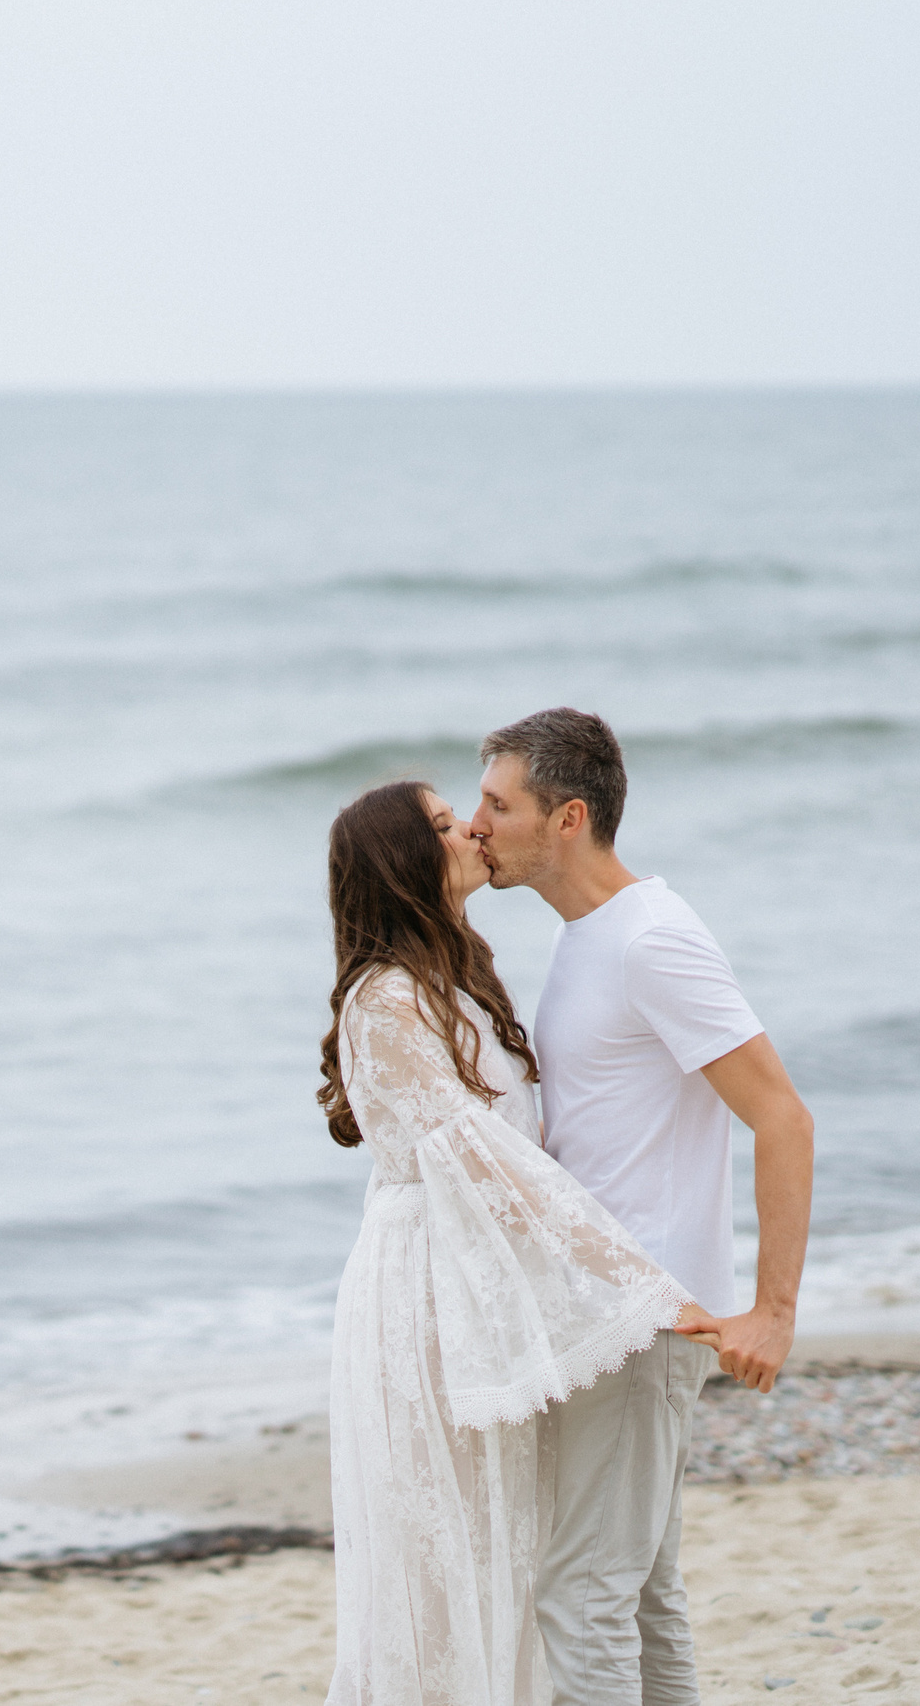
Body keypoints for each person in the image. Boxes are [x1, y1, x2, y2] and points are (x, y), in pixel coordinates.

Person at [318, 779, 720, 1706]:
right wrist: (641, 1284)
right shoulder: (384, 1001)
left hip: (483, 1289)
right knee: (444, 1562)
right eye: (442, 823)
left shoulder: (455, 982)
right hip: (424, 1296)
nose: (470, 827)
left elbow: (525, 1157)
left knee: (514, 1543)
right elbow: (489, 1167)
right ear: (402, 859)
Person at [471, 705, 815, 1705]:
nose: (477, 825)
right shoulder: (589, 936)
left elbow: (783, 1117)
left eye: (499, 805)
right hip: (608, 1311)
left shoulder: (651, 939)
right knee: (642, 1592)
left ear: (567, 818)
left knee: (581, 1596)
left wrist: (772, 1313)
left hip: (642, 1316)